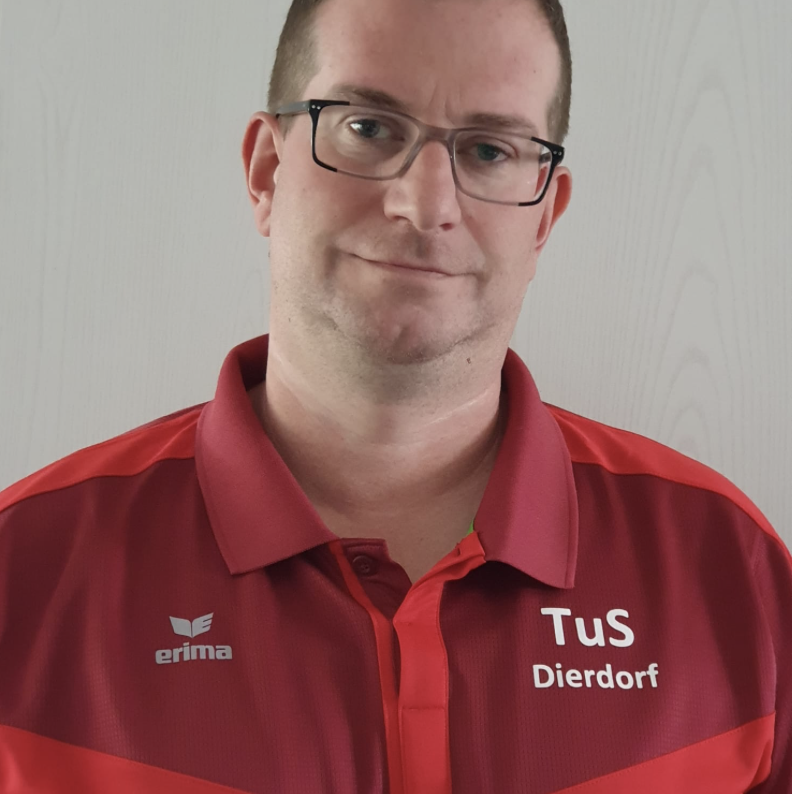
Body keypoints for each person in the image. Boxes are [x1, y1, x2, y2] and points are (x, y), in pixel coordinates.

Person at [0, 0, 789, 791]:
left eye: (490, 149)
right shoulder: (24, 574)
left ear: (545, 216)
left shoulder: (734, 572)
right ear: (267, 171)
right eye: (370, 128)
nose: (426, 205)